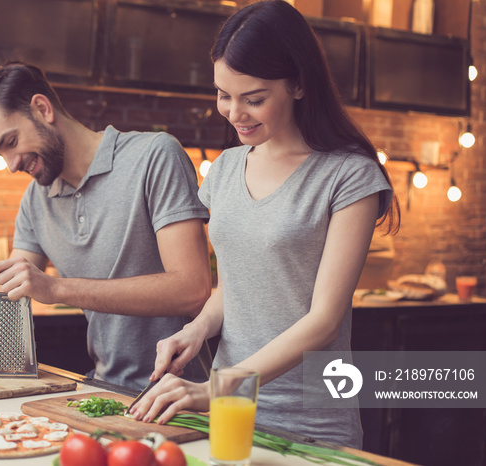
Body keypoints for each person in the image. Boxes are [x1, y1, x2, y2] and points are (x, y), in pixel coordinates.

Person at [129, 0, 400, 449]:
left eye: (253, 99)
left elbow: (324, 321)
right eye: (223, 95)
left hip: (310, 420)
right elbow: (237, 286)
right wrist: (196, 329)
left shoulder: (349, 176)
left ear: (298, 84)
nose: (235, 113)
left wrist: (214, 388)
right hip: (230, 413)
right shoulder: (225, 169)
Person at [0, 62, 212, 391]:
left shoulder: (154, 156)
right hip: (102, 389)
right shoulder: (35, 201)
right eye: (0, 153)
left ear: (42, 109)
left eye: (11, 142)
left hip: (181, 394)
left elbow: (192, 290)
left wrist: (56, 289)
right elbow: (10, 291)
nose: (11, 165)